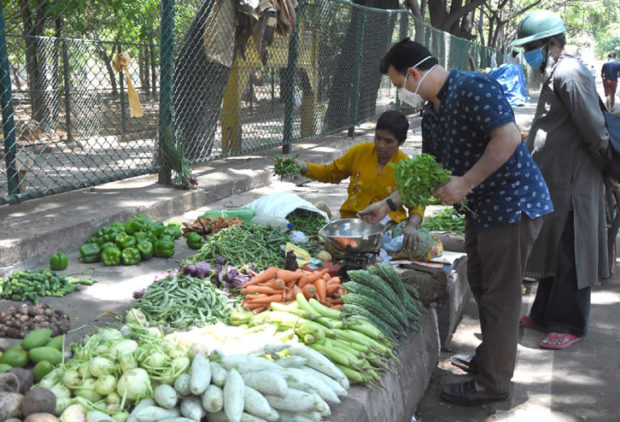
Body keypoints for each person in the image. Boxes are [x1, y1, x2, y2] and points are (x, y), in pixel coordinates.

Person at [357, 38, 553, 406]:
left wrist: (465, 183)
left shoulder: (472, 87)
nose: (403, 94)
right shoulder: (432, 112)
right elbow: (431, 172)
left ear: (414, 73)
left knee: (501, 295)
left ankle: (493, 383)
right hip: (483, 210)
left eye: (401, 85)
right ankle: (489, 360)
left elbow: (508, 137)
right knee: (482, 285)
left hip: (512, 205)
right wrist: (389, 202)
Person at [510, 11, 613, 350]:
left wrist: (608, 168)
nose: (528, 54)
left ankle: (569, 322)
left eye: (531, 47)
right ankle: (543, 314)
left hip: (574, 182)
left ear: (550, 43)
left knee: (571, 251)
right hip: (556, 181)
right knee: (554, 249)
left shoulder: (569, 72)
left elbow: (594, 129)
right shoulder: (556, 71)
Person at [296, 110, 425, 235]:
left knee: (417, 245)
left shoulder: (407, 167)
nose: (380, 145)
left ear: (400, 142)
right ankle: (328, 217)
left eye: (388, 141)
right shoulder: (359, 152)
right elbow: (331, 173)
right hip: (352, 222)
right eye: (378, 138)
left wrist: (411, 226)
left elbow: (417, 204)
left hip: (390, 226)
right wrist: (304, 167)